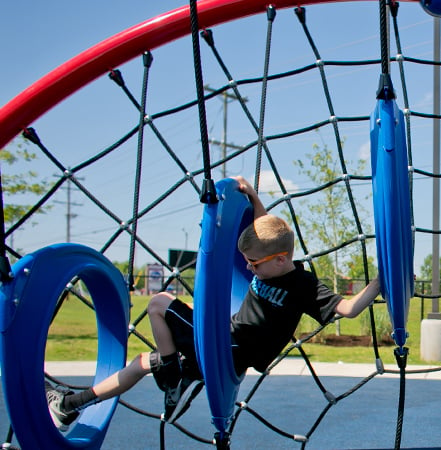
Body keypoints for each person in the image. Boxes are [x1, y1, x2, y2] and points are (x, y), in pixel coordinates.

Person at [46, 175, 381, 430]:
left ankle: (172, 372)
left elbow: (348, 309)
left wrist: (382, 282)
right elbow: (264, 230)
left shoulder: (304, 286)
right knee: (138, 363)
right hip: (225, 341)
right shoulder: (271, 259)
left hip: (229, 347)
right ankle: (72, 405)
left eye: (253, 264)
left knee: (158, 303)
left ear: (280, 260)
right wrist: (253, 197)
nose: (249, 268)